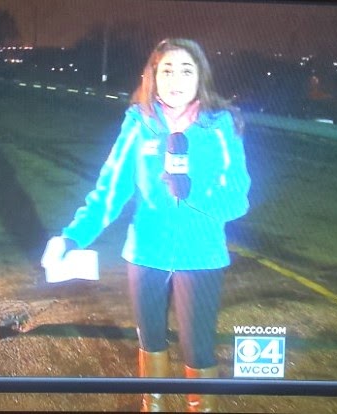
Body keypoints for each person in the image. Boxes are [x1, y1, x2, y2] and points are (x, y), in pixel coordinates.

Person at [41, 38, 251, 412]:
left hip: (201, 256)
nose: (176, 79)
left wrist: (194, 194)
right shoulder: (139, 123)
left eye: (186, 70)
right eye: (166, 70)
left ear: (200, 76)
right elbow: (109, 190)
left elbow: (238, 199)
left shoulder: (220, 125)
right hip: (145, 252)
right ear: (152, 76)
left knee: (198, 348)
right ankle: (151, 405)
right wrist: (73, 237)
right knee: (150, 341)